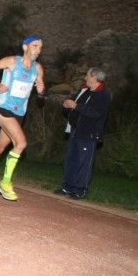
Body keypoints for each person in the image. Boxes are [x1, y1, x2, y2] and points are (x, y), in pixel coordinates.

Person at [0, 36, 45, 201]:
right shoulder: (12, 61)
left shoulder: (38, 69)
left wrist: (41, 90)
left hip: (19, 113)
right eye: (35, 46)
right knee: (21, 143)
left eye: (40, 48)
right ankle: (5, 183)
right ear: (25, 46)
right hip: (2, 108)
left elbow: (40, 90)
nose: (38, 50)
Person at [54, 68, 111, 199]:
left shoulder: (103, 95)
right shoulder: (84, 90)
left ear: (95, 78)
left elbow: (95, 113)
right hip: (75, 130)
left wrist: (76, 106)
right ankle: (67, 187)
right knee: (71, 159)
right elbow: (74, 101)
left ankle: (79, 190)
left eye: (87, 75)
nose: (85, 78)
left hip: (88, 133)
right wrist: (68, 103)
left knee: (83, 162)